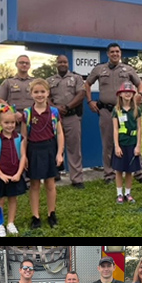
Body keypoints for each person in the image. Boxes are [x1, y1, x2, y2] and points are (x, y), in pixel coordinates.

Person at [85, 43, 142, 183]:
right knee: (108, 143)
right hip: (106, 111)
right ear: (108, 53)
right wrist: (89, 101)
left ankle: (138, 171)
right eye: (112, 52)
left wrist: (140, 94)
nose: (115, 54)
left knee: (131, 139)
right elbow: (87, 84)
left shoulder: (128, 69)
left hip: (126, 111)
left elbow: (140, 84)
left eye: (117, 51)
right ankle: (109, 174)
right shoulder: (99, 69)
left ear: (120, 53)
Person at [22, 79, 64, 228]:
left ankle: (51, 214)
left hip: (49, 148)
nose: (39, 95)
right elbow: (24, 137)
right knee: (34, 184)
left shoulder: (53, 112)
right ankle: (36, 216)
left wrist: (59, 153)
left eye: (42, 92)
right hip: (33, 150)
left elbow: (59, 133)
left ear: (48, 93)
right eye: (36, 92)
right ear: (31, 94)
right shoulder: (27, 113)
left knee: (50, 183)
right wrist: (24, 156)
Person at [47, 55, 86, 188]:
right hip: (55, 117)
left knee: (74, 147)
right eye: (60, 62)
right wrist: (55, 107)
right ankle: (55, 173)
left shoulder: (76, 78)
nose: (62, 64)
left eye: (65, 62)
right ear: (56, 64)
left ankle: (77, 179)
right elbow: (45, 97)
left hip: (72, 116)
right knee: (53, 146)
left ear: (68, 64)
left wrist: (68, 107)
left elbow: (81, 94)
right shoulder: (49, 80)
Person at [0, 105, 26, 236]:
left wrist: (18, 174)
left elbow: (23, 157)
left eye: (12, 122)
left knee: (13, 199)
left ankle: (10, 223)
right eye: (6, 123)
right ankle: (0, 225)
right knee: (0, 200)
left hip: (14, 175)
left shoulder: (19, 138)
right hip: (0, 177)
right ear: (0, 123)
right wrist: (0, 174)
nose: (10, 125)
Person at [112, 82, 142, 204]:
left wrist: (138, 145)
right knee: (119, 170)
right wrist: (116, 146)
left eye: (130, 92)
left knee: (130, 170)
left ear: (133, 94)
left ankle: (128, 193)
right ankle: (119, 194)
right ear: (120, 94)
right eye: (125, 92)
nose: (127, 94)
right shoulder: (116, 110)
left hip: (132, 144)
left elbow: (139, 128)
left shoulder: (137, 110)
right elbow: (115, 128)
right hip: (121, 144)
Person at [0, 55, 34, 128]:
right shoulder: (8, 82)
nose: (24, 65)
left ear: (29, 65)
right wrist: (13, 112)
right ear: (16, 64)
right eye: (21, 62)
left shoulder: (35, 82)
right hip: (14, 121)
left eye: (27, 63)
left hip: (32, 119)